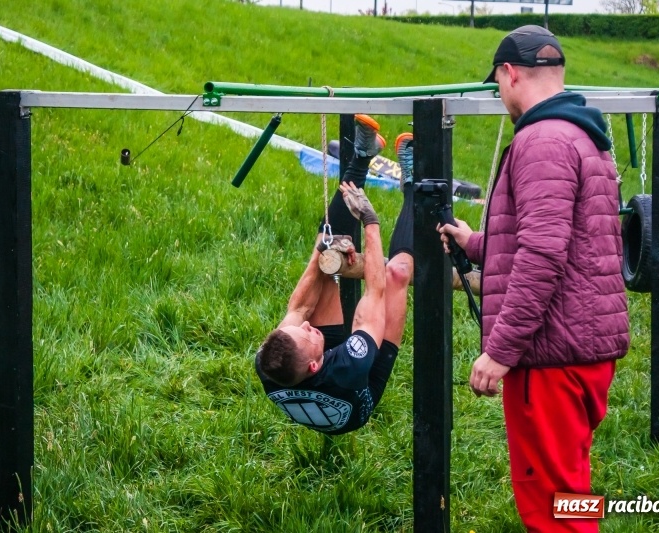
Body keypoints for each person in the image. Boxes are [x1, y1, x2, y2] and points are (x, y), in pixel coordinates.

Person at [438, 25, 630, 532]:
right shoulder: (582, 134)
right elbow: (573, 243)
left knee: (553, 507)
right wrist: (475, 243)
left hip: (551, 358)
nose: (501, 95)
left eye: (498, 84)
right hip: (582, 349)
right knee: (572, 488)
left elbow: (543, 256)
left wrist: (500, 351)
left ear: (510, 73)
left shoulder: (541, 140)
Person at [255, 115, 415, 435]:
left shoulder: (269, 360)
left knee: (325, 258)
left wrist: (325, 249)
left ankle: (362, 157)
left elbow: (299, 307)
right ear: (316, 364)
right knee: (396, 274)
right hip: (360, 387)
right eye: (309, 333)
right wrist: (370, 220)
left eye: (300, 329)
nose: (307, 326)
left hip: (311, 369)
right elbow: (374, 293)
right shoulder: (349, 364)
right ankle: (413, 184)